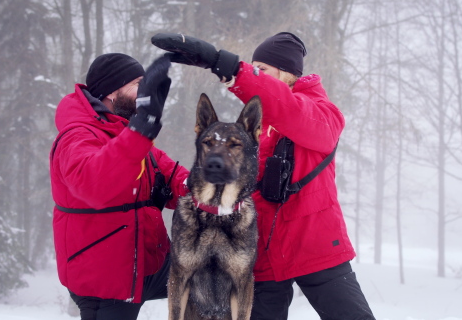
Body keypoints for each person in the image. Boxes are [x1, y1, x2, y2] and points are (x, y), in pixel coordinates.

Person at [152, 32, 375, 320]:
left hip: (315, 248)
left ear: (288, 73)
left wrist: (230, 68)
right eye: (253, 68)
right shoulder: (262, 125)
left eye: (262, 70)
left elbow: (289, 110)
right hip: (264, 255)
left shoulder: (322, 114)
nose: (256, 74)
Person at [49, 53, 189, 320]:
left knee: (210, 277)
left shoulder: (128, 134)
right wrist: (140, 131)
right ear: (112, 92)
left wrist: (218, 188)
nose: (145, 93)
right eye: (138, 84)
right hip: (105, 276)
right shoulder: (76, 136)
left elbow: (175, 178)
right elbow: (94, 186)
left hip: (150, 263)